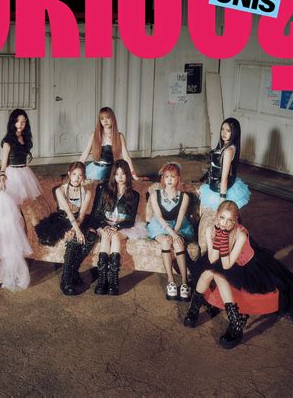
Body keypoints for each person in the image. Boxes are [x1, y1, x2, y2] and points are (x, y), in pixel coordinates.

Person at [183, 201, 293, 349]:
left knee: (219, 276)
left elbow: (227, 265)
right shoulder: (211, 229)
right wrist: (219, 237)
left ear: (235, 220)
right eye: (222, 218)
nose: (225, 223)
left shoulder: (241, 235)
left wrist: (222, 240)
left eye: (229, 220)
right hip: (221, 260)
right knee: (208, 272)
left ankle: (235, 322)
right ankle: (193, 309)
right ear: (217, 216)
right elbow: (212, 259)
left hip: (244, 266)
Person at [0, 109, 42, 292]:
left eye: (24, 121)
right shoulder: (7, 141)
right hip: (11, 177)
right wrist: (2, 178)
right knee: (9, 218)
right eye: (18, 121)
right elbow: (3, 165)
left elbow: (24, 160)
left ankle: (26, 245)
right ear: (12, 122)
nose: (21, 124)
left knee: (23, 215)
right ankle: (9, 261)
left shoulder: (25, 139)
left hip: (24, 175)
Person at [35, 162, 97, 295]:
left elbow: (81, 215)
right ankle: (66, 281)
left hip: (78, 221)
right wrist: (77, 231)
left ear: (83, 177)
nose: (77, 178)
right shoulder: (60, 190)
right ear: (69, 174)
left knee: (92, 236)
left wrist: (75, 229)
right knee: (73, 240)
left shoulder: (86, 193)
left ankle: (73, 271)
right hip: (62, 220)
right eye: (74, 174)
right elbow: (68, 212)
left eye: (80, 175)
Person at [90, 159, 145, 296]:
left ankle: (113, 281)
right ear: (113, 175)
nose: (120, 177)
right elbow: (96, 213)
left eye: (123, 174)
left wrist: (117, 227)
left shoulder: (134, 195)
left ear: (128, 175)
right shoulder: (103, 189)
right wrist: (105, 226)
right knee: (105, 236)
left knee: (114, 236)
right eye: (117, 174)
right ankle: (102, 280)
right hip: (104, 223)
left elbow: (130, 220)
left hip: (123, 226)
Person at [198, 117, 250, 255]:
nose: (224, 133)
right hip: (213, 185)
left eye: (228, 131)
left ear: (234, 133)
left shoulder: (228, 151)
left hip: (221, 189)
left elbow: (224, 177)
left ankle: (220, 250)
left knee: (221, 223)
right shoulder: (223, 146)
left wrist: (222, 203)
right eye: (223, 129)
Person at [146, 162, 195, 301]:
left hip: (178, 226)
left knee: (179, 243)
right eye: (166, 176)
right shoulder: (155, 194)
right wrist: (171, 234)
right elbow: (158, 216)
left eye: (173, 177)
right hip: (160, 225)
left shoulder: (184, 197)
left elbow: (180, 218)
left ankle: (184, 282)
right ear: (163, 178)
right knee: (166, 242)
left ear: (178, 178)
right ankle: (171, 281)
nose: (169, 180)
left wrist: (175, 232)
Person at [80, 107, 139, 181]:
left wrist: (133, 174)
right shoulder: (94, 135)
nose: (105, 121)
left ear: (112, 119)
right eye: (102, 119)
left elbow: (126, 157)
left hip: (111, 169)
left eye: (108, 118)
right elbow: (85, 153)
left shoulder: (119, 136)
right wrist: (76, 168)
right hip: (96, 169)